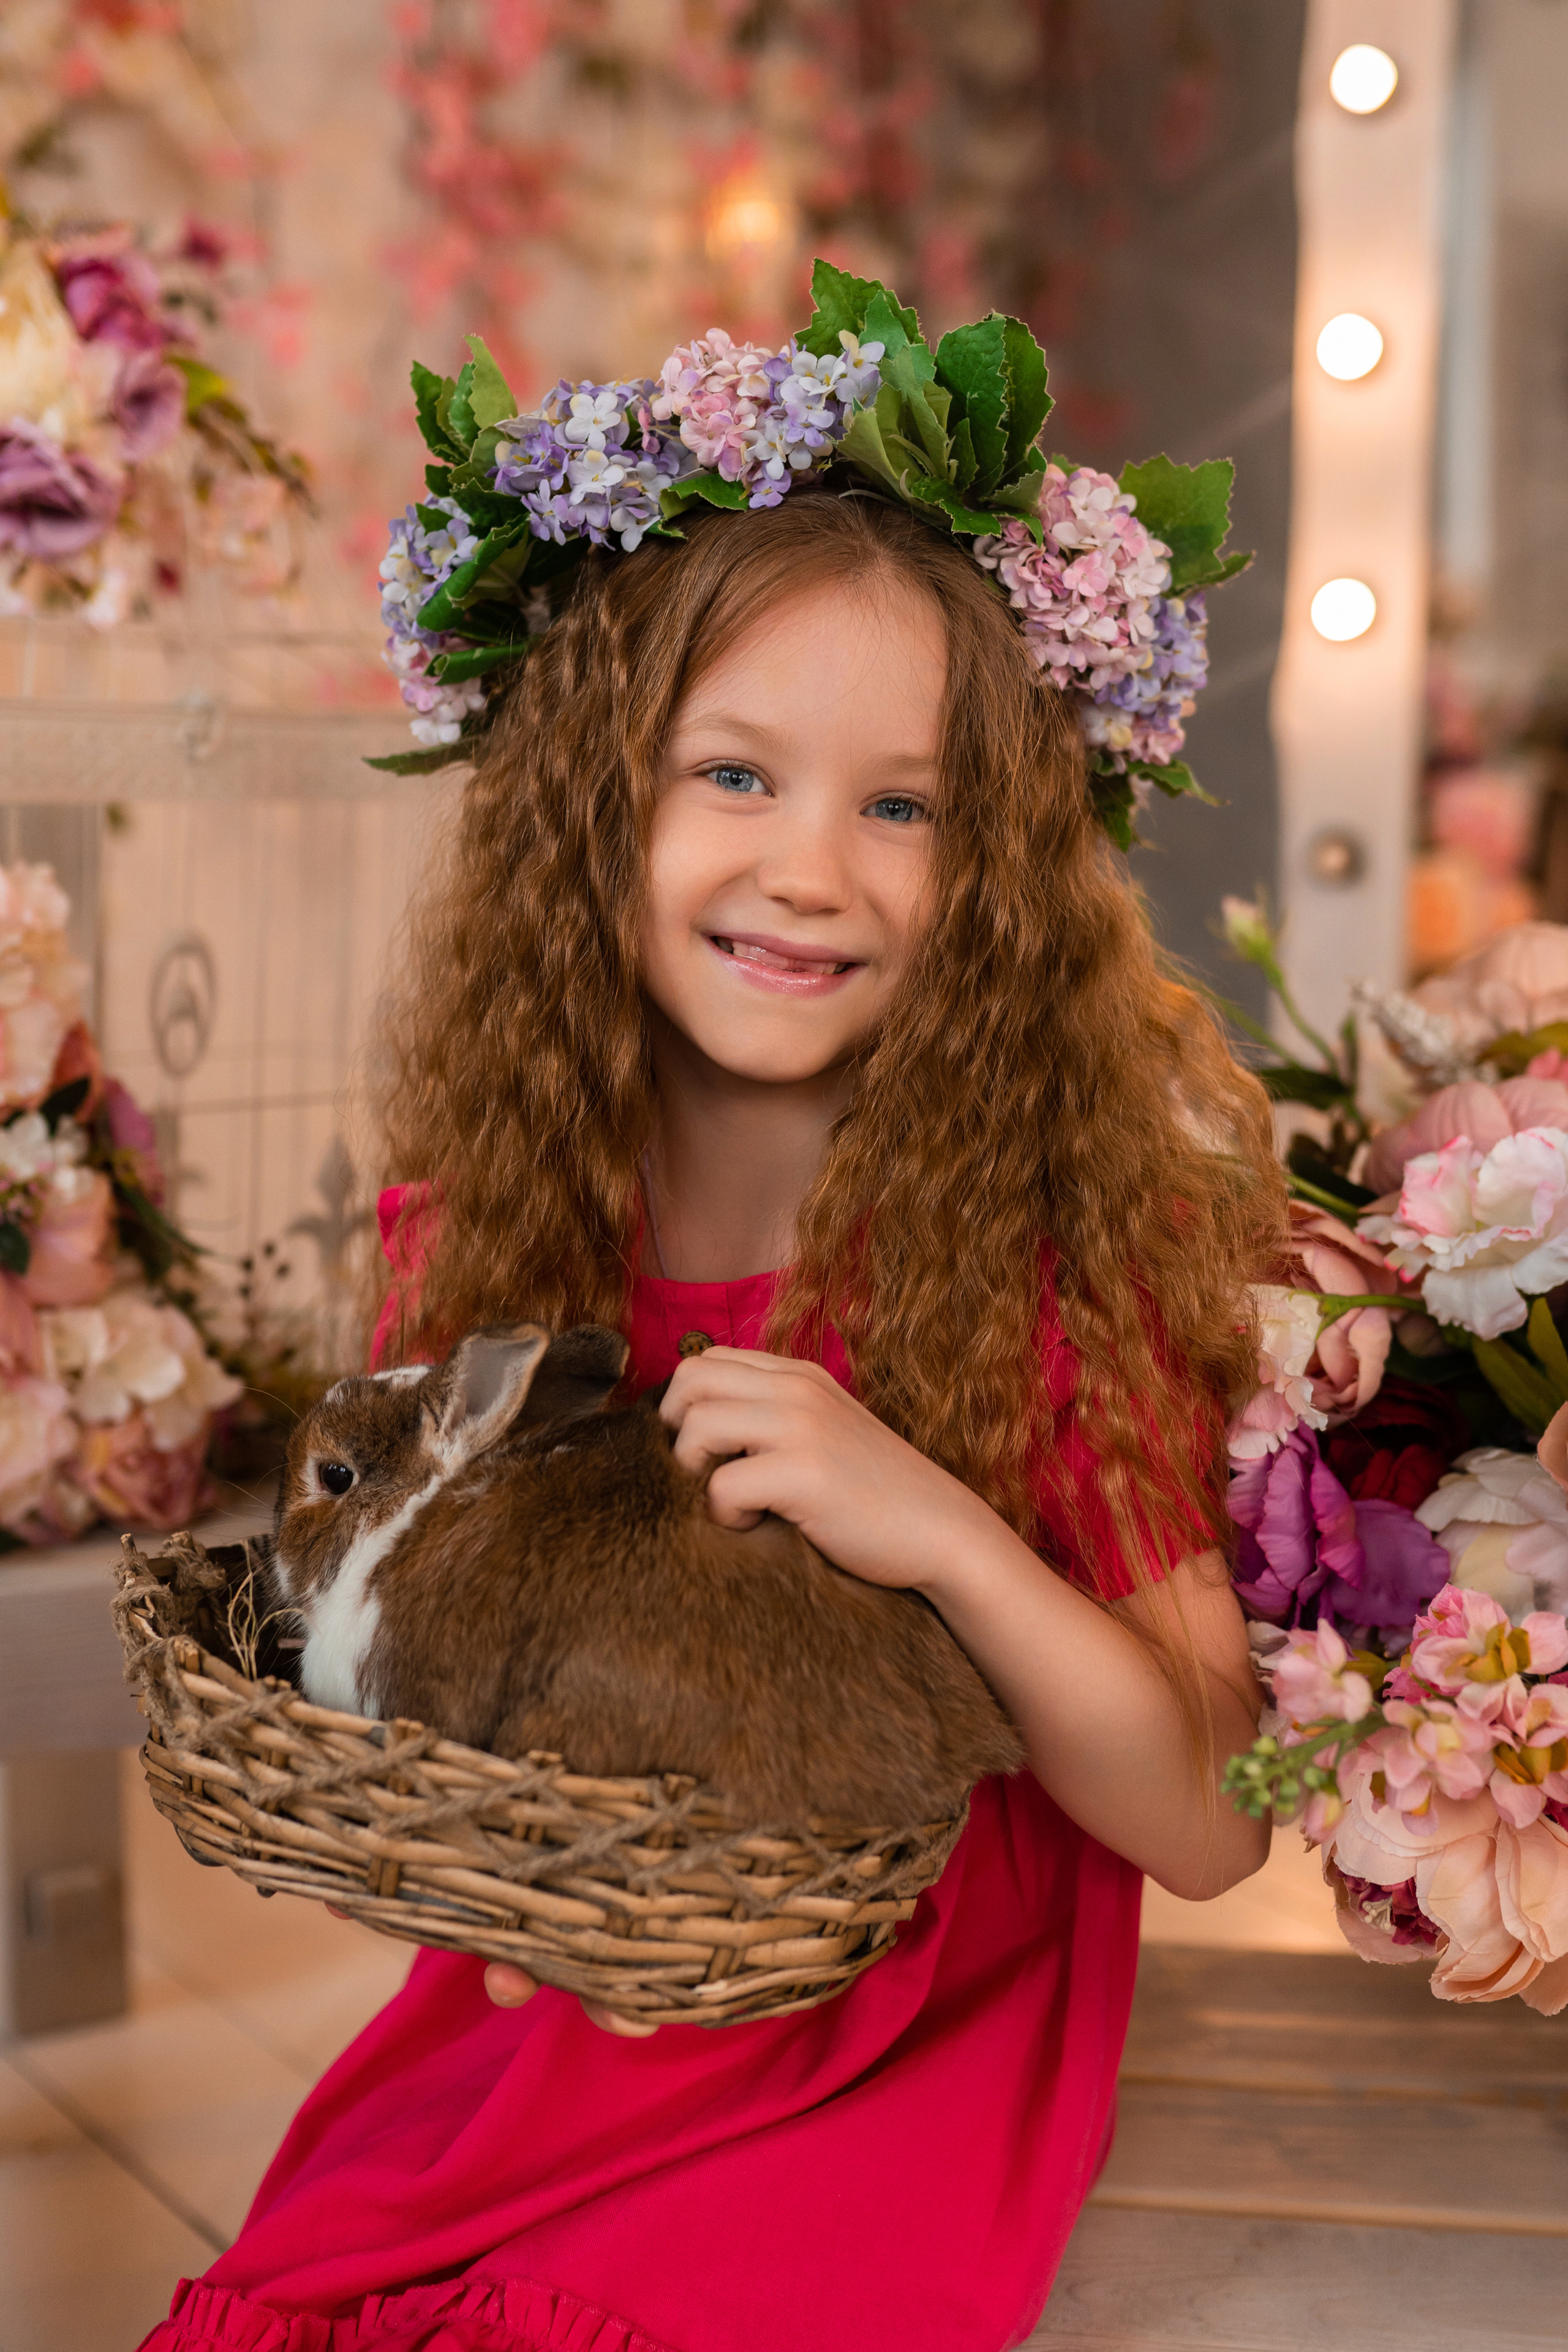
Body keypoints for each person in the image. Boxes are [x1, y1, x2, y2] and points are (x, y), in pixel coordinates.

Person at [140, 289, 1284, 2352]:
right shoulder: (486, 1227)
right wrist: (479, 1872)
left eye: (905, 807)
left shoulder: (1043, 1263)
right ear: (596, 802)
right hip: (561, 2001)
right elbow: (439, 1705)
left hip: (892, 2025)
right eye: (735, 773)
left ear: (1005, 870)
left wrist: (938, 1527)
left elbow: (1209, 1823)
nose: (812, 871)